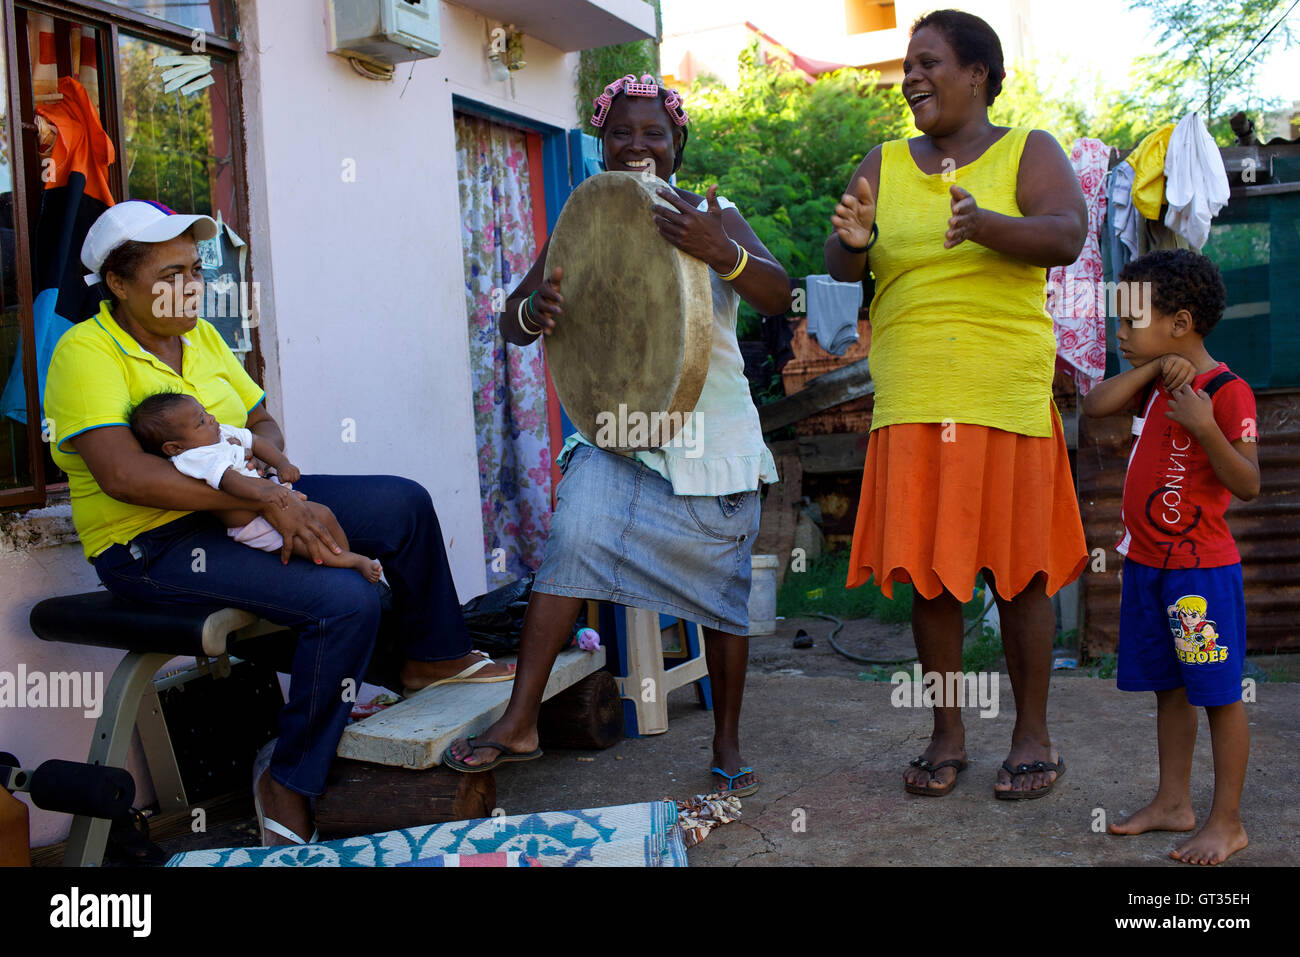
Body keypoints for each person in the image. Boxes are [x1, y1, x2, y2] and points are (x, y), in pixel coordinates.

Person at [43, 199, 513, 846]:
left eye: (194, 271)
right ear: (118, 285)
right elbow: (125, 475)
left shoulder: (201, 338)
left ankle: (430, 658)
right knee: (346, 598)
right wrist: (265, 502)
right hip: (150, 543)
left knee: (402, 503)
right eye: (166, 276)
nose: (188, 289)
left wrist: (270, 482)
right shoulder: (85, 351)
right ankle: (288, 778)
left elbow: (261, 419)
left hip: (246, 501)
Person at [443, 74, 791, 796]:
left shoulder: (710, 211)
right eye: (622, 133)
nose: (638, 145)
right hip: (620, 439)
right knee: (572, 536)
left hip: (709, 445)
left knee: (723, 598)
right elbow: (512, 320)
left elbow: (778, 292)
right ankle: (520, 720)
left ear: (677, 145)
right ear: (601, 144)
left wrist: (718, 248)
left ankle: (726, 739)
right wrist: (533, 312)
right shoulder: (588, 218)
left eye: (653, 133)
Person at [826, 10, 1089, 799]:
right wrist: (857, 238)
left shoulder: (1027, 149)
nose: (911, 77)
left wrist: (986, 225)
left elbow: (1068, 233)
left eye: (928, 62)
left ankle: (1032, 733)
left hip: (1002, 393)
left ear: (977, 73)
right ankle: (947, 731)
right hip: (912, 398)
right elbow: (842, 269)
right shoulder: (882, 160)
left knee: (1023, 575)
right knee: (933, 580)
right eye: (907, 65)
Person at [1082, 249, 1258, 865]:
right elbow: (1094, 406)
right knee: (1170, 690)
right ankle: (1173, 803)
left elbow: (1249, 483)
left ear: (1180, 322)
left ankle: (1227, 822)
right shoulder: (1153, 385)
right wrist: (1155, 364)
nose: (1120, 334)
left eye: (1132, 322)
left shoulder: (1229, 393)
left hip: (1200, 575)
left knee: (1217, 693)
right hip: (1149, 569)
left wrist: (1206, 426)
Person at [128, 391, 383, 581]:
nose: (211, 419)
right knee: (306, 545)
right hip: (252, 522)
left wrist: (281, 463)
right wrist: (271, 496)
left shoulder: (219, 433)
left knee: (324, 515)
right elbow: (231, 481)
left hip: (271, 496)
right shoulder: (193, 458)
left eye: (205, 412)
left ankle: (345, 560)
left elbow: (256, 440)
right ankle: (351, 562)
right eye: (201, 422)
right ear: (174, 447)